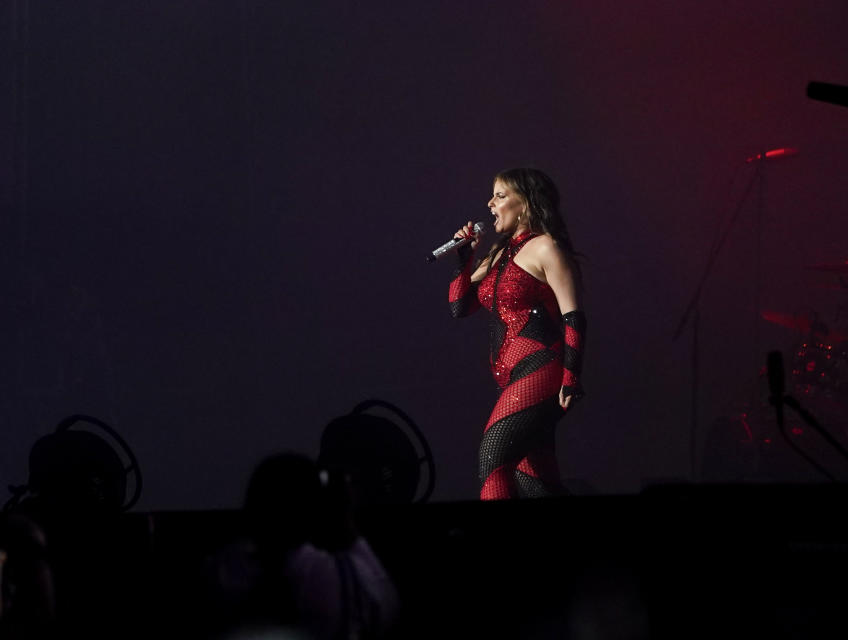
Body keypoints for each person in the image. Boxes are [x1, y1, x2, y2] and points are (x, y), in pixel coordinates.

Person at [447, 168, 586, 500]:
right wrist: (464, 258)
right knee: (536, 482)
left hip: (541, 368)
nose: (489, 203)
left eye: (500, 195)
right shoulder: (497, 254)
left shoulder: (545, 247)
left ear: (525, 204)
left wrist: (571, 376)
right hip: (510, 378)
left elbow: (574, 316)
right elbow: (459, 306)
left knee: (492, 458)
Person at [205, 452, 399, 639]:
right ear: (316, 509)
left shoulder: (222, 569)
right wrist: (345, 521)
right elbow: (383, 607)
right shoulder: (331, 573)